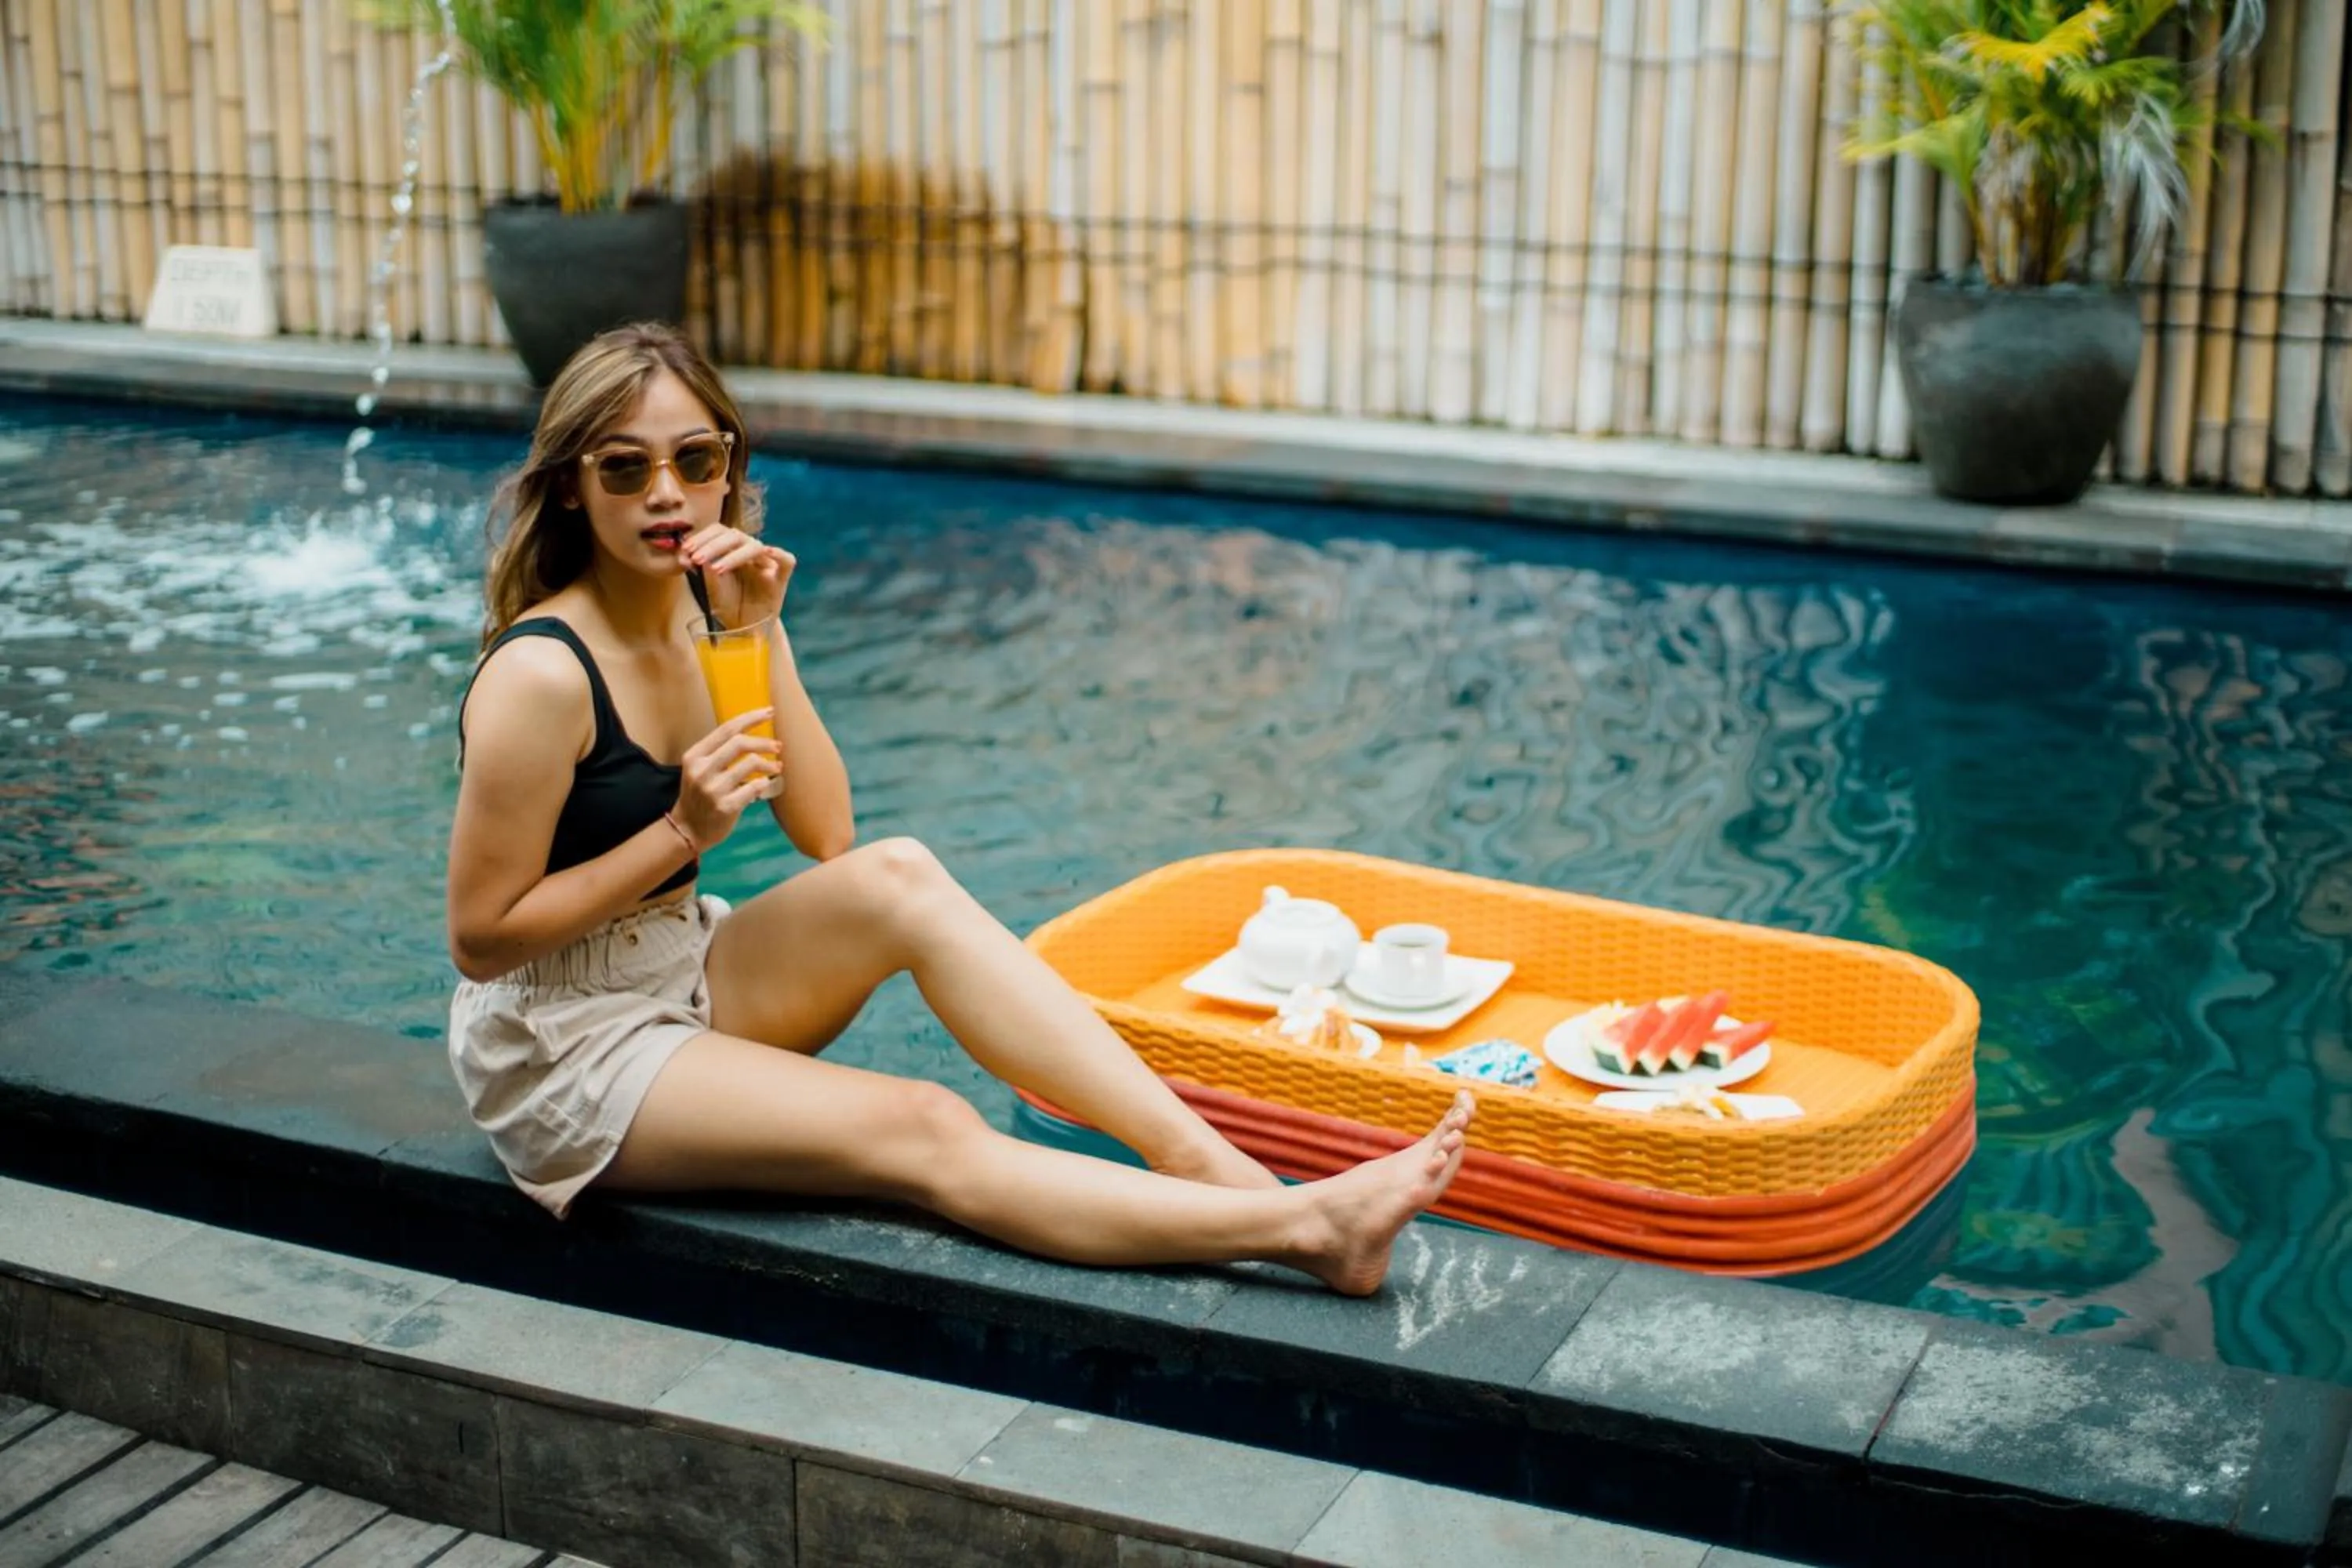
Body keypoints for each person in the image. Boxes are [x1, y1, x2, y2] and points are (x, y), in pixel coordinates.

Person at [443, 322, 1473, 1296]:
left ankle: (1205, 1162)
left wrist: (760, 636)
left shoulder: (717, 612)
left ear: (730, 466)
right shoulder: (542, 675)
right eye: (625, 467)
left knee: (899, 872)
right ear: (573, 487)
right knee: (924, 1124)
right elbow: (482, 942)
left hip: (681, 969)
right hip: (565, 1044)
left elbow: (825, 835)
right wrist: (680, 834)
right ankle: (1301, 1231)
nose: (668, 495)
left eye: (697, 461)